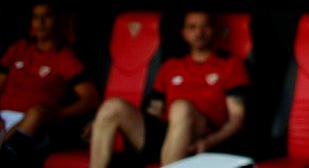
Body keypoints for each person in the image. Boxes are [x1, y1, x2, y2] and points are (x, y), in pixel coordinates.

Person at [89, 11, 249, 168]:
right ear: (184, 33)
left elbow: (237, 119)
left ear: (214, 29)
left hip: (201, 135)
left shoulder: (231, 65)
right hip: (166, 133)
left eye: (205, 26)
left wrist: (208, 142)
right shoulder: (170, 66)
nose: (199, 32)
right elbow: (154, 112)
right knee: (112, 106)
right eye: (192, 27)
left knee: (180, 107)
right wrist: (103, 123)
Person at [0, 3, 99, 168]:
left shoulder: (65, 57)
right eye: (36, 17)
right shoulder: (19, 49)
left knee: (37, 112)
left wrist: (54, 113)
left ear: (58, 20)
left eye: (46, 16)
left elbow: (91, 97)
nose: (41, 22)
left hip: (32, 124)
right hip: (2, 117)